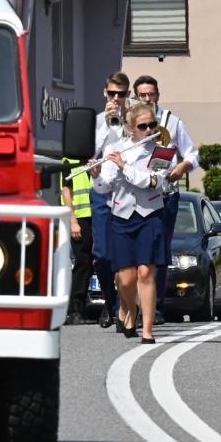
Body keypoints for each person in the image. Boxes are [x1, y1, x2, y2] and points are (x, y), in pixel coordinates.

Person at [90, 101, 173, 343]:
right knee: (126, 279)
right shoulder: (115, 150)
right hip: (122, 217)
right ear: (131, 128)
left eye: (152, 125)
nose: (149, 130)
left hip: (150, 216)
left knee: (146, 272)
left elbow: (151, 182)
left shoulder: (162, 152)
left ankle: (147, 330)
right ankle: (127, 308)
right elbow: (104, 187)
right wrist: (97, 175)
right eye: (143, 126)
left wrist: (124, 167)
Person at [132, 74, 200, 317]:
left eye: (151, 94)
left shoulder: (172, 122)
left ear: (158, 95)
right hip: (131, 197)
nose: (148, 99)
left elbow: (192, 154)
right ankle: (126, 306)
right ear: (135, 96)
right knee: (130, 253)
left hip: (165, 196)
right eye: (143, 95)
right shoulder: (127, 122)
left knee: (158, 252)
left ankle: (154, 308)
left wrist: (182, 167)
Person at [92, 72, 131, 329]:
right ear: (105, 93)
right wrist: (107, 125)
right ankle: (109, 300)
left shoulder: (136, 121)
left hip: (127, 193)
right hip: (102, 192)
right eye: (112, 94)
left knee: (127, 258)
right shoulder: (97, 122)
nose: (116, 99)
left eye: (121, 94)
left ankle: (124, 308)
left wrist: (125, 126)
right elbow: (90, 151)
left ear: (128, 95)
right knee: (104, 257)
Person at [60, 149, 95, 325]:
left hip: (95, 216)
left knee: (91, 263)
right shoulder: (68, 161)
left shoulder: (92, 158)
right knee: (82, 263)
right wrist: (73, 220)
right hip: (79, 218)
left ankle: (84, 306)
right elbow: (66, 191)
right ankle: (74, 309)